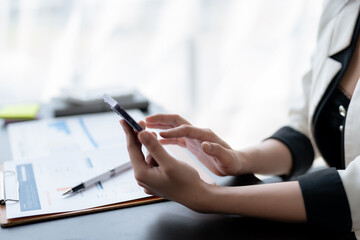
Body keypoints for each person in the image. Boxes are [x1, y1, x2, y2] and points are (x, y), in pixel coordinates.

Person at [120, 1, 360, 238]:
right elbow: (305, 129)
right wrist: (238, 159)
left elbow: (353, 193)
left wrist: (206, 196)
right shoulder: (342, 6)